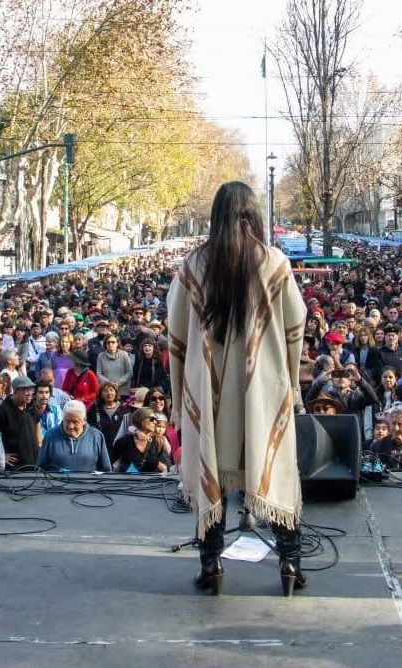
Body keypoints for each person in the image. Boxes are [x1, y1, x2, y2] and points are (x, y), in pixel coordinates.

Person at [168, 181, 307, 597]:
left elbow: (175, 333)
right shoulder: (275, 262)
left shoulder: (194, 264)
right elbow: (296, 325)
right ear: (254, 214)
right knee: (275, 470)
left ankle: (211, 564)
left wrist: (180, 395)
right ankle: (290, 563)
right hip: (261, 390)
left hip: (208, 391)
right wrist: (291, 380)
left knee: (208, 470)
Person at [37, 400, 111, 472]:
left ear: (84, 421)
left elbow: (106, 470)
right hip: (57, 480)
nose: (71, 426)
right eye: (67, 421)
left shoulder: (96, 436)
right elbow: (40, 469)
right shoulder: (50, 436)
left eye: (75, 422)